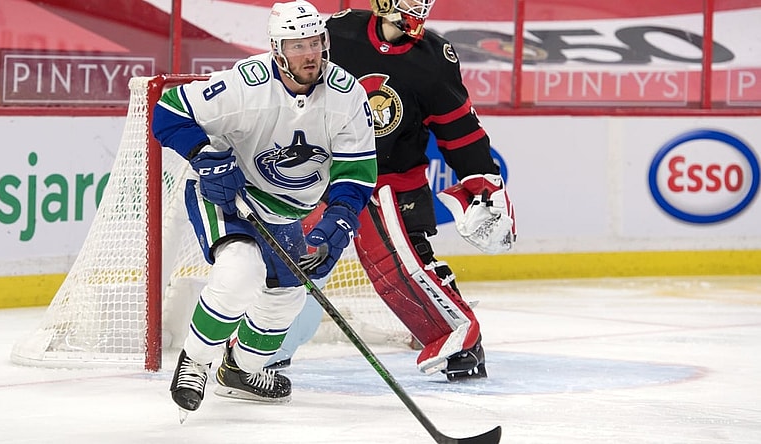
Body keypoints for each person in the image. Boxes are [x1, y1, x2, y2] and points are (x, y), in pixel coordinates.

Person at [264, 0, 517, 382]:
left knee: (402, 268)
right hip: (328, 173)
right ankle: (265, 348)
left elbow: (460, 130)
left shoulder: (434, 58)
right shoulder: (340, 32)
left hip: (392, 181)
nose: (420, 5)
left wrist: (483, 179)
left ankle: (458, 340)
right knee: (293, 256)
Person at [151, 0, 377, 416]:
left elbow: (356, 172)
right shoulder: (245, 85)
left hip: (285, 208)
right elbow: (168, 113)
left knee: (287, 296)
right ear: (277, 49)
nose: (310, 54)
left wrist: (340, 219)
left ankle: (240, 371)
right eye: (298, 45)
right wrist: (204, 155)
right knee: (240, 272)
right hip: (225, 194)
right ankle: (195, 362)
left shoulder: (347, 96)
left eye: (315, 42)